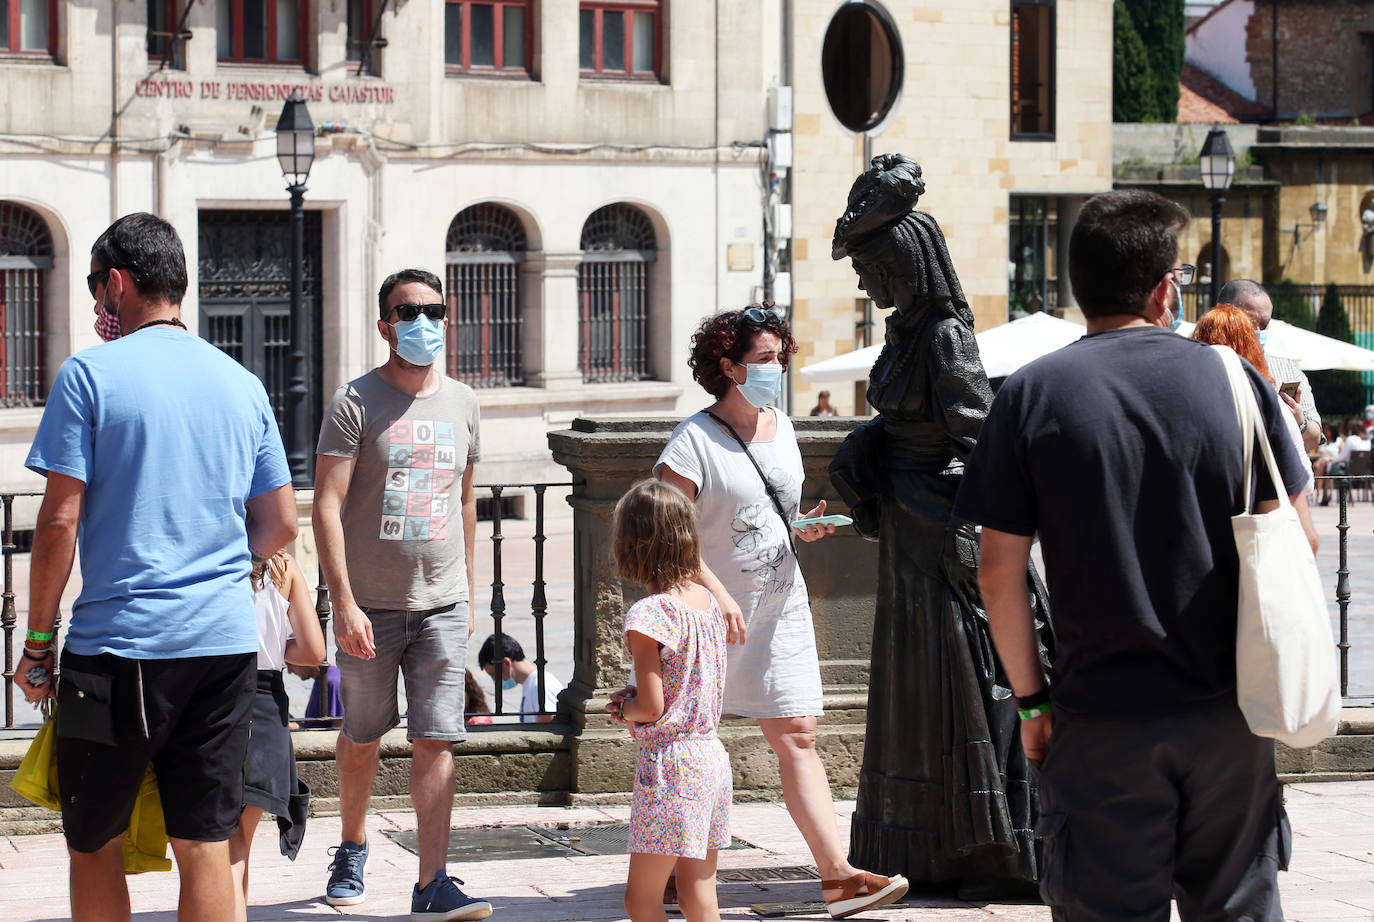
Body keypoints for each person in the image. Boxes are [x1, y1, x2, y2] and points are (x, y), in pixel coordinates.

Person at [956, 189, 1317, 921]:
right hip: (1229, 713)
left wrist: (1033, 704)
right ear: (1163, 288)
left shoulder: (1030, 394)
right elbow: (1302, 538)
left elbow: (998, 572)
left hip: (1103, 715)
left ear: (1076, 285)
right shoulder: (1235, 380)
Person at [16, 212, 298, 922]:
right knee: (204, 839)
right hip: (225, 645)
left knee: (94, 841)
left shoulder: (90, 375)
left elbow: (58, 520)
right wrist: (217, 568)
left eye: (94, 287)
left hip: (123, 647)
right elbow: (280, 523)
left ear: (117, 283)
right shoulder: (242, 382)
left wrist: (38, 643)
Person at [828, 153, 1048, 895]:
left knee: (970, 692)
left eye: (872, 270)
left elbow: (982, 439)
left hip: (943, 540)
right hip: (910, 537)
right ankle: (926, 847)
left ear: (905, 266)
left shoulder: (944, 338)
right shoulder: (904, 336)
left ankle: (986, 846)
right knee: (920, 695)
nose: (865, 283)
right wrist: (869, 449)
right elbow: (904, 423)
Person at [656, 305, 908, 919]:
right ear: (727, 366)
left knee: (798, 734)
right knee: (690, 745)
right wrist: (715, 596)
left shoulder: (783, 426)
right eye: (764, 360)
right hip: (708, 617)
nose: (776, 369)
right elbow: (667, 537)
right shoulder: (693, 443)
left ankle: (837, 876)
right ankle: (666, 869)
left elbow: (768, 514)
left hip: (779, 606)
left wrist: (803, 527)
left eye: (779, 357)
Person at [313, 268, 491, 921]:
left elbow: (466, 500)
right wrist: (344, 601)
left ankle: (432, 882)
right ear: (384, 324)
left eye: (433, 310)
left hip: (441, 602)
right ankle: (352, 844)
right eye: (407, 311)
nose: (422, 322)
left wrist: (466, 591)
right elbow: (326, 506)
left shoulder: (466, 404)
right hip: (370, 605)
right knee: (362, 735)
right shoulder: (354, 402)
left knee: (438, 738)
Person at [607, 479, 731, 922]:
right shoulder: (707, 604)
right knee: (700, 895)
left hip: (672, 766)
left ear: (631, 543)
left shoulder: (649, 613)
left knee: (641, 899)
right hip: (711, 758)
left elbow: (653, 708)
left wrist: (623, 708)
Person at [230, 549, 327, 921]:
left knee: (224, 841)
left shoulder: (214, 554)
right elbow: (314, 650)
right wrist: (274, 648)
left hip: (222, 694)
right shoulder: (282, 564)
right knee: (240, 842)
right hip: (267, 705)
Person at [1192, 305, 1313, 493]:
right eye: (1255, 326)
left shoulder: (1188, 399)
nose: (1260, 333)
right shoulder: (1267, 401)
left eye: (1265, 325)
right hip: (1253, 512)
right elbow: (1305, 483)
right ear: (1250, 345)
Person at [1219, 278, 1322, 452]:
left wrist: (1299, 423)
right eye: (1250, 323)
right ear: (1222, 315)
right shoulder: (1204, 360)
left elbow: (1314, 437)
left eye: (1265, 324)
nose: (1258, 331)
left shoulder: (1285, 366)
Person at [477, 633, 564, 723]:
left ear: (506, 663)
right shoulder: (531, 684)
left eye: (493, 674)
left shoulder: (540, 685)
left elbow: (550, 730)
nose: (494, 680)